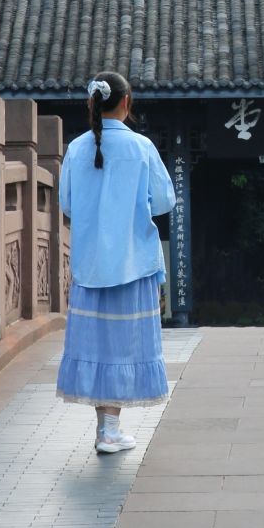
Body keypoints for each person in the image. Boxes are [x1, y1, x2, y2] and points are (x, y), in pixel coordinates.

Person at [57, 71, 176, 453]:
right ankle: (110, 429)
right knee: (124, 345)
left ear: (91, 104)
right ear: (127, 103)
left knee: (97, 346)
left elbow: (67, 205)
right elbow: (164, 202)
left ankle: (105, 428)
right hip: (132, 262)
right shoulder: (141, 148)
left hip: (91, 265)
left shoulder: (76, 149)